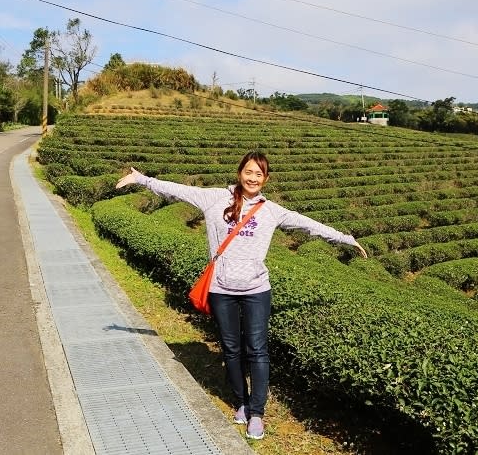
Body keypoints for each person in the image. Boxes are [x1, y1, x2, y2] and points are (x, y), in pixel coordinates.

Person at [115, 151, 366, 440]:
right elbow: (178, 189)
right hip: (221, 289)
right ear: (240, 173)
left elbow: (309, 224)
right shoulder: (214, 199)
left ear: (266, 179)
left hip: (257, 289)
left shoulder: (271, 211)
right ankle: (241, 403)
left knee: (257, 350)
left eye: (259, 174)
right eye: (249, 171)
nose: (253, 178)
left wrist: (347, 240)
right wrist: (141, 179)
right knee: (232, 349)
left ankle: (257, 412)